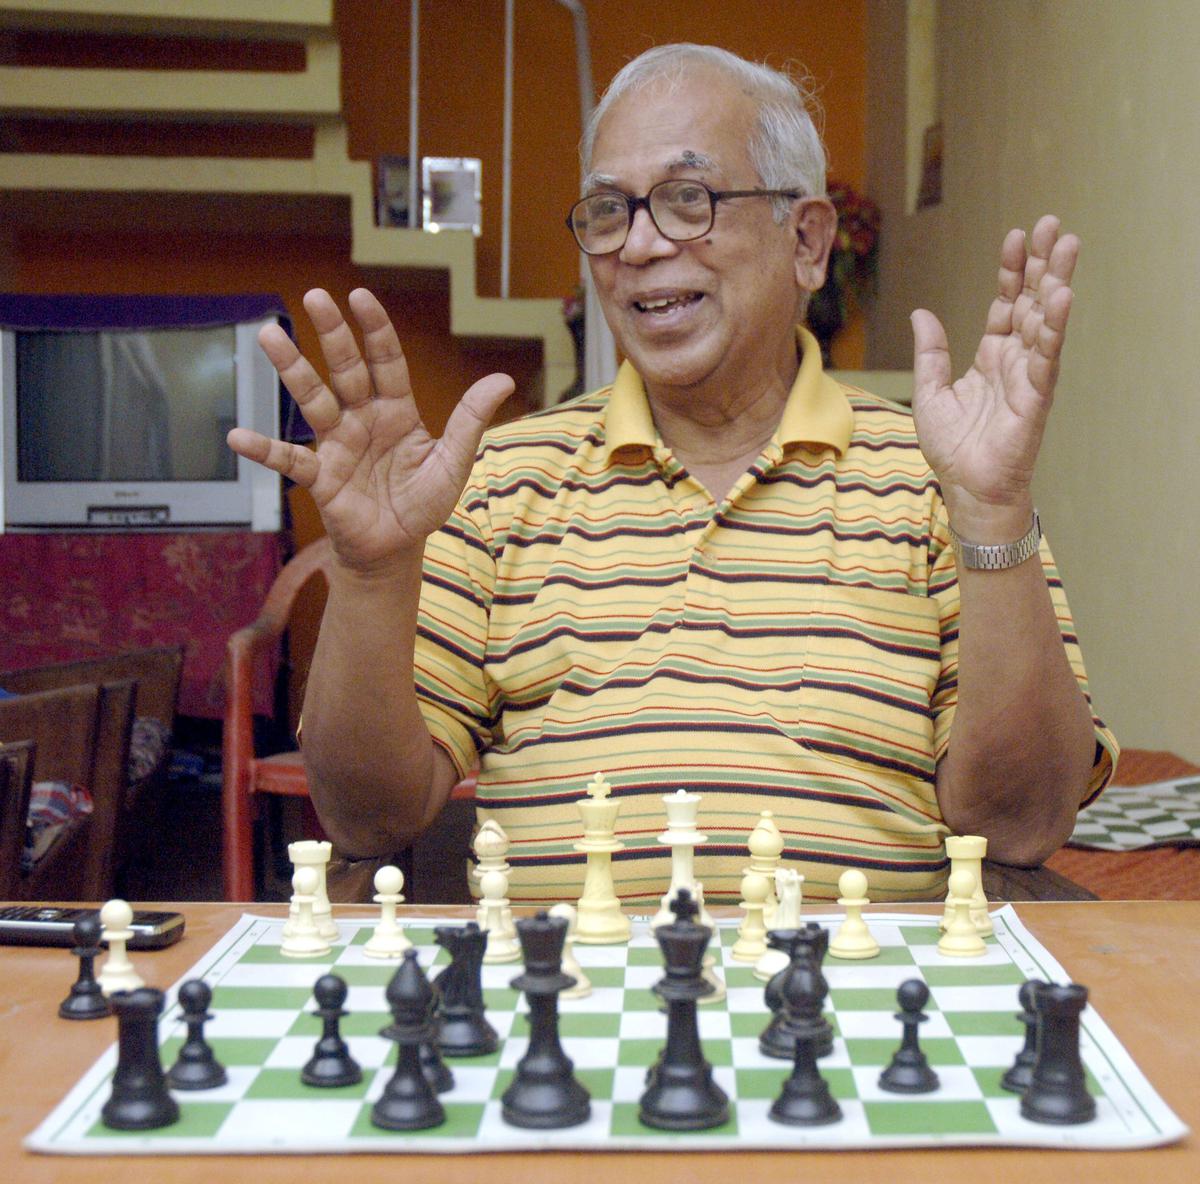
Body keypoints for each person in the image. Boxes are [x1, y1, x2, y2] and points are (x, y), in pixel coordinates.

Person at [228, 43, 1117, 905]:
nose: (641, 246)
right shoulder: (499, 479)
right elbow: (369, 819)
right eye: (609, 211)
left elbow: (1021, 827)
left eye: (688, 199)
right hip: (560, 1015)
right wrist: (372, 574)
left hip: (862, 1022)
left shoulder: (940, 479)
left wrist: (994, 513)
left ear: (807, 241)